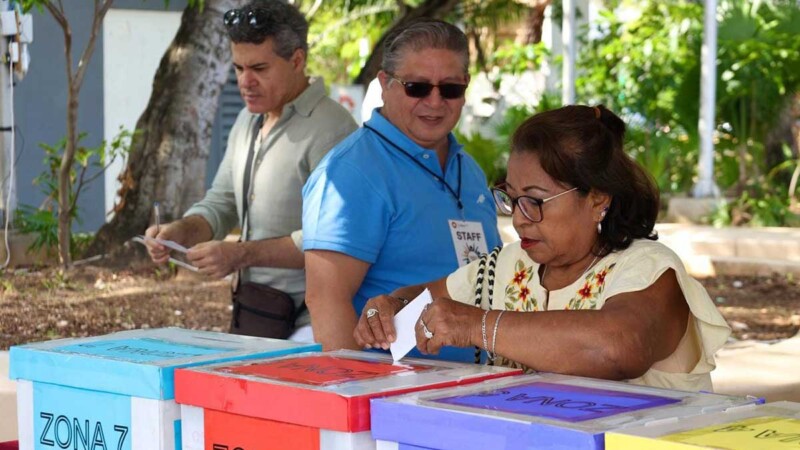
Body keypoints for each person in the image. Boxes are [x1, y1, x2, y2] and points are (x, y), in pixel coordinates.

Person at [355, 105, 732, 391]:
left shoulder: (650, 269)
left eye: (535, 200)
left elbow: (618, 349)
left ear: (598, 198)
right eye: (512, 198)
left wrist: (478, 325)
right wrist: (390, 308)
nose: (519, 219)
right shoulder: (507, 266)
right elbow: (422, 301)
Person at [144, 1, 357, 340]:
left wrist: (239, 254)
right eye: (238, 68)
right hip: (257, 314)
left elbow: (334, 239)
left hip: (311, 324)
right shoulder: (248, 120)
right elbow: (222, 203)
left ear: (297, 60)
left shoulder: (334, 130)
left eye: (258, 68)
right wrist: (181, 231)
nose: (245, 81)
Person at [302, 18, 502, 359]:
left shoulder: (467, 168)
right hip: (397, 396)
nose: (435, 101)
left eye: (450, 88)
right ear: (385, 83)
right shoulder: (350, 172)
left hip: (478, 387)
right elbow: (326, 302)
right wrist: (357, 397)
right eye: (417, 87)